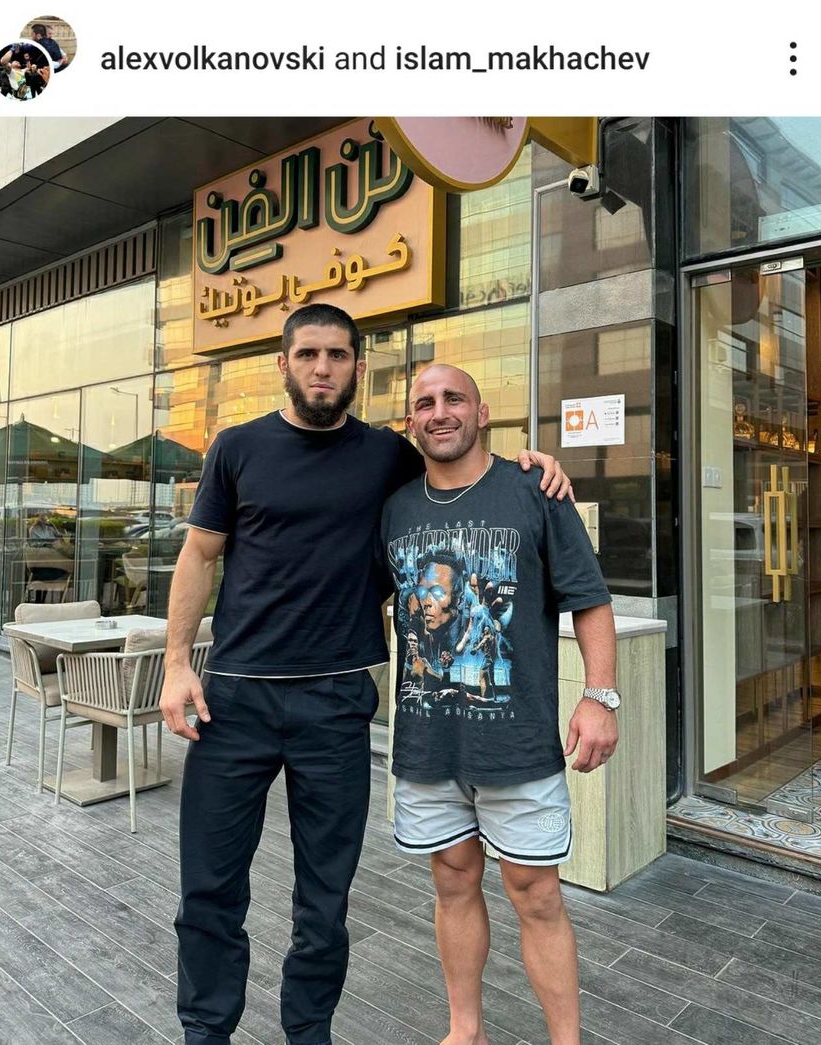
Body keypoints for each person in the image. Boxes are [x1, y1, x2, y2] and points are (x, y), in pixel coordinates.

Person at [159, 303, 573, 1045]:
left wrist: (532, 467)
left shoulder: (388, 455)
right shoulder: (236, 448)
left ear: (357, 366)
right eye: (308, 354)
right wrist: (177, 662)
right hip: (237, 699)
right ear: (284, 364)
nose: (323, 368)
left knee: (324, 900)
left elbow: (462, 466)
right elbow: (199, 554)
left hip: (338, 698)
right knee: (210, 889)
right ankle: (205, 1030)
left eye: (338, 355)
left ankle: (308, 1031)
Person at [381, 364, 619, 1045]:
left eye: (454, 398)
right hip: (428, 745)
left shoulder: (534, 490)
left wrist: (600, 696)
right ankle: (466, 1031)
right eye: (425, 402)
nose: (440, 411)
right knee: (453, 882)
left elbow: (589, 598)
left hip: (517, 742)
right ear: (410, 422)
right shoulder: (394, 508)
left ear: (483, 413)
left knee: (536, 894)